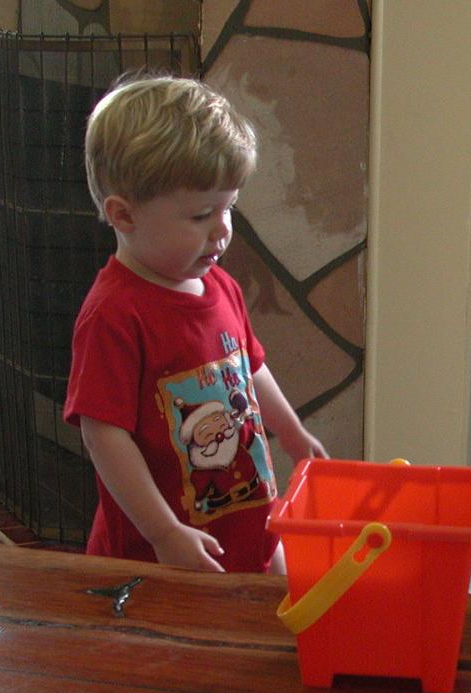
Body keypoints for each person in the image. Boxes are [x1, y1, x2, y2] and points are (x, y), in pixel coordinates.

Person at [64, 75, 326, 574]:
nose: (223, 229)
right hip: (161, 552)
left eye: (228, 207)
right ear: (124, 215)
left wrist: (291, 431)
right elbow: (103, 436)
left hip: (247, 521)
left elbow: (249, 368)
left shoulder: (220, 286)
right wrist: (164, 533)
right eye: (202, 214)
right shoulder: (115, 315)